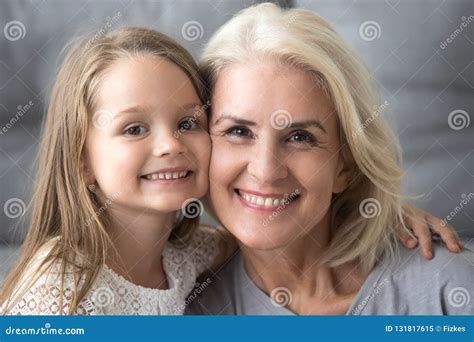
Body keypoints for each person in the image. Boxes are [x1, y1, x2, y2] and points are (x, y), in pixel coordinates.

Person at [186, 3, 473, 315]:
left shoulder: (444, 290)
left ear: (345, 165)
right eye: (238, 131)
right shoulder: (182, 304)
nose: (266, 170)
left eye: (300, 137)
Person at [0, 27, 234, 315]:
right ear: (82, 163)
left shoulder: (183, 254)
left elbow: (246, 245)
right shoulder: (57, 291)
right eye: (134, 129)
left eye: (187, 123)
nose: (170, 145)